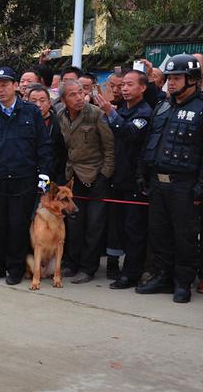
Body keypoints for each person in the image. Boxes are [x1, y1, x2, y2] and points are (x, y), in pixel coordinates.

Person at [136, 54, 203, 303]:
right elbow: (149, 143)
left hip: (185, 185)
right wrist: (142, 174)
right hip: (158, 182)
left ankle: (182, 282)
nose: (170, 83)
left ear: (193, 80)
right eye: (169, 78)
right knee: (159, 233)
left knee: (184, 236)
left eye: (177, 78)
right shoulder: (163, 107)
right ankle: (162, 277)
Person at [0, 67, 51, 285]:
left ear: (15, 86)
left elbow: (43, 144)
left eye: (5, 85)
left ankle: (14, 268)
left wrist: (44, 173)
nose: (1, 90)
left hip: (23, 177)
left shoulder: (31, 112)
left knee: (17, 225)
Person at [92, 70, 152, 289]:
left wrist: (110, 113)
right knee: (117, 227)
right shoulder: (122, 110)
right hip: (116, 177)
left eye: (129, 84)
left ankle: (132, 273)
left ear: (143, 87)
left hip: (134, 180)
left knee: (134, 229)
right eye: (122, 85)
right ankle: (117, 267)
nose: (124, 89)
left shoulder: (144, 112)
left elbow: (129, 133)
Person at [57, 80, 115, 284]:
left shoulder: (96, 114)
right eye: (72, 94)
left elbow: (109, 148)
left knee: (94, 226)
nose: (79, 97)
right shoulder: (61, 116)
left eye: (80, 92)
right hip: (73, 178)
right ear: (63, 99)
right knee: (74, 224)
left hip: (96, 176)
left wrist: (104, 175)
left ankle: (88, 268)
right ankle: (71, 263)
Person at [26, 85, 67, 184]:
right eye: (34, 101)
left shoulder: (59, 122)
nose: (38, 105)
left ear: (49, 103)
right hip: (28, 174)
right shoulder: (22, 123)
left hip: (54, 175)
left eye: (42, 100)